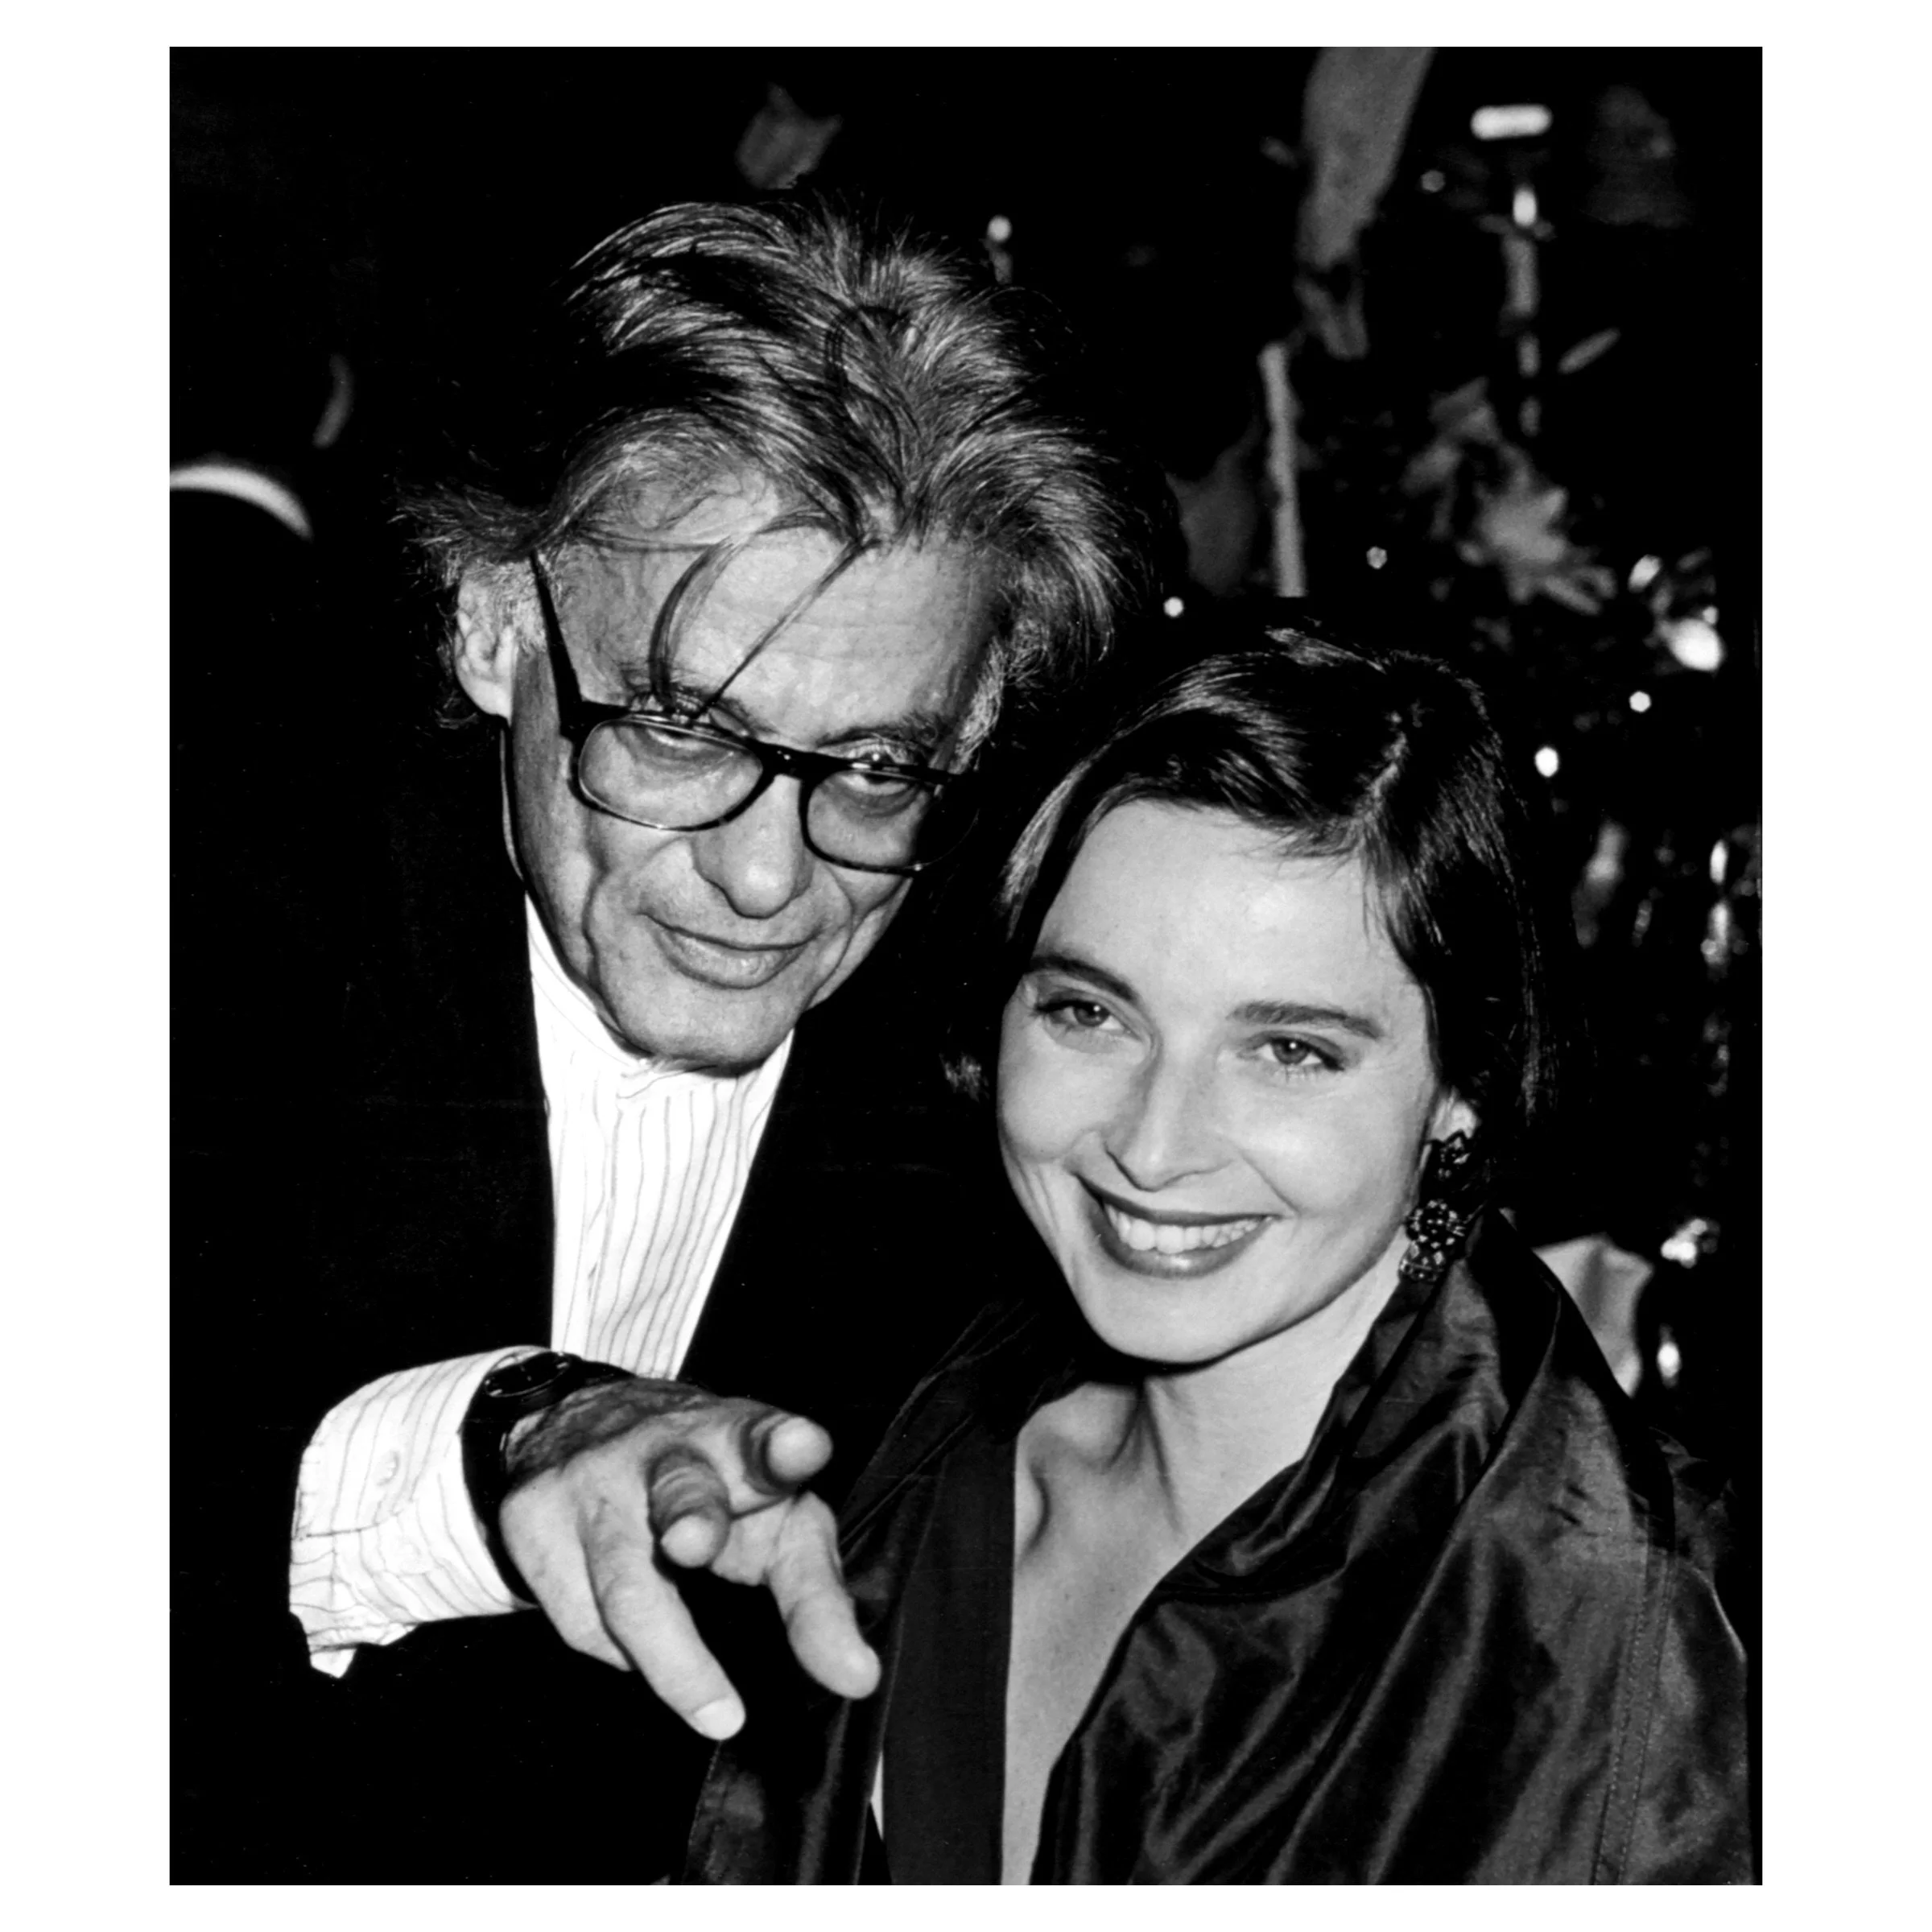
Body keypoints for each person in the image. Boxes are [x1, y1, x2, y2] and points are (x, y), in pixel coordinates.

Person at [172, 195, 1167, 1880]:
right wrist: (514, 1434)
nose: (771, 880)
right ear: (496, 628)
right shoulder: (199, 932)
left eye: (877, 765)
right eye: (684, 731)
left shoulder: (1004, 1036)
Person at [683, 633, 1752, 1884]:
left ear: (1462, 1089)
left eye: (1289, 1050)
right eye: (1089, 1013)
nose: (1152, 1145)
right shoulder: (889, 1463)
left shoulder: (1659, 1638)